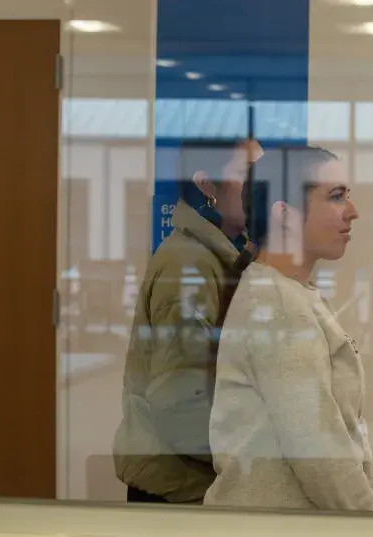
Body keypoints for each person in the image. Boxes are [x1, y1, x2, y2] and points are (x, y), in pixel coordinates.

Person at [204, 146, 373, 511]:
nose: (353, 212)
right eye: (336, 197)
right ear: (283, 214)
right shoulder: (276, 304)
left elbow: (341, 438)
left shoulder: (291, 294)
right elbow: (322, 458)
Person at [113, 138, 262, 504]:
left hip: (196, 480)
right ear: (206, 185)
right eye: (248, 175)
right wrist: (250, 464)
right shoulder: (188, 265)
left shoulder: (227, 257)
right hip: (176, 489)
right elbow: (179, 402)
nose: (261, 188)